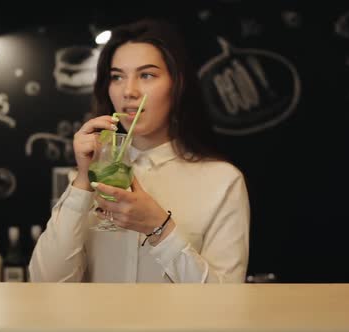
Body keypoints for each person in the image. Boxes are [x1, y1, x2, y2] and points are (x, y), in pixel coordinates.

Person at [29, 18, 250, 283]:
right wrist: (83, 181)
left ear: (176, 85)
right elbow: (46, 283)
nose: (128, 91)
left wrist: (159, 228)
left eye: (146, 75)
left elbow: (225, 304)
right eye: (117, 77)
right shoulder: (87, 180)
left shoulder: (222, 182)